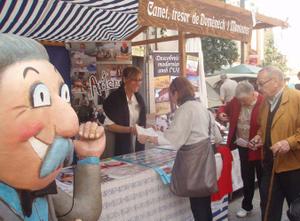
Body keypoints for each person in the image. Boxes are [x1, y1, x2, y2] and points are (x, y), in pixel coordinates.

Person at [0, 34, 106, 220]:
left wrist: (89, 158)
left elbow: (82, 214)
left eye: (63, 95)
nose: (70, 123)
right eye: (39, 98)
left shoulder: (42, 188)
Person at [138, 77, 222, 221]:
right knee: (204, 205)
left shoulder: (185, 109)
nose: (171, 97)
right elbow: (218, 137)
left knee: (198, 207)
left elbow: (172, 141)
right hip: (206, 160)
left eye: (171, 93)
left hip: (194, 164)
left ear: (176, 93)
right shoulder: (201, 107)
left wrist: (150, 137)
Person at [250, 66, 300, 221]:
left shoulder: (297, 98)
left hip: (294, 168)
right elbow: (262, 126)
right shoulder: (265, 102)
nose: (258, 88)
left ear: (276, 82)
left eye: (261, 83)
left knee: (296, 211)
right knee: (268, 208)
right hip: (270, 165)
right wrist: (259, 137)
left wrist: (289, 142)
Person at [218, 81, 263, 218]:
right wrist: (221, 114)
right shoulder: (236, 101)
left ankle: (266, 207)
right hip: (243, 147)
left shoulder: (263, 101)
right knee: (247, 178)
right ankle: (246, 206)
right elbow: (223, 108)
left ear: (253, 93)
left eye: (244, 100)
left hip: (259, 148)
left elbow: (268, 123)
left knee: (263, 180)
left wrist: (259, 135)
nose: (242, 103)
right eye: (240, 100)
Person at [103, 66, 146, 155]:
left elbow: (141, 122)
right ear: (125, 79)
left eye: (140, 80)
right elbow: (109, 125)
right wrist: (130, 130)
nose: (138, 83)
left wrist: (149, 128)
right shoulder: (114, 98)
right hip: (119, 144)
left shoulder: (138, 98)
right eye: (134, 80)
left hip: (137, 144)